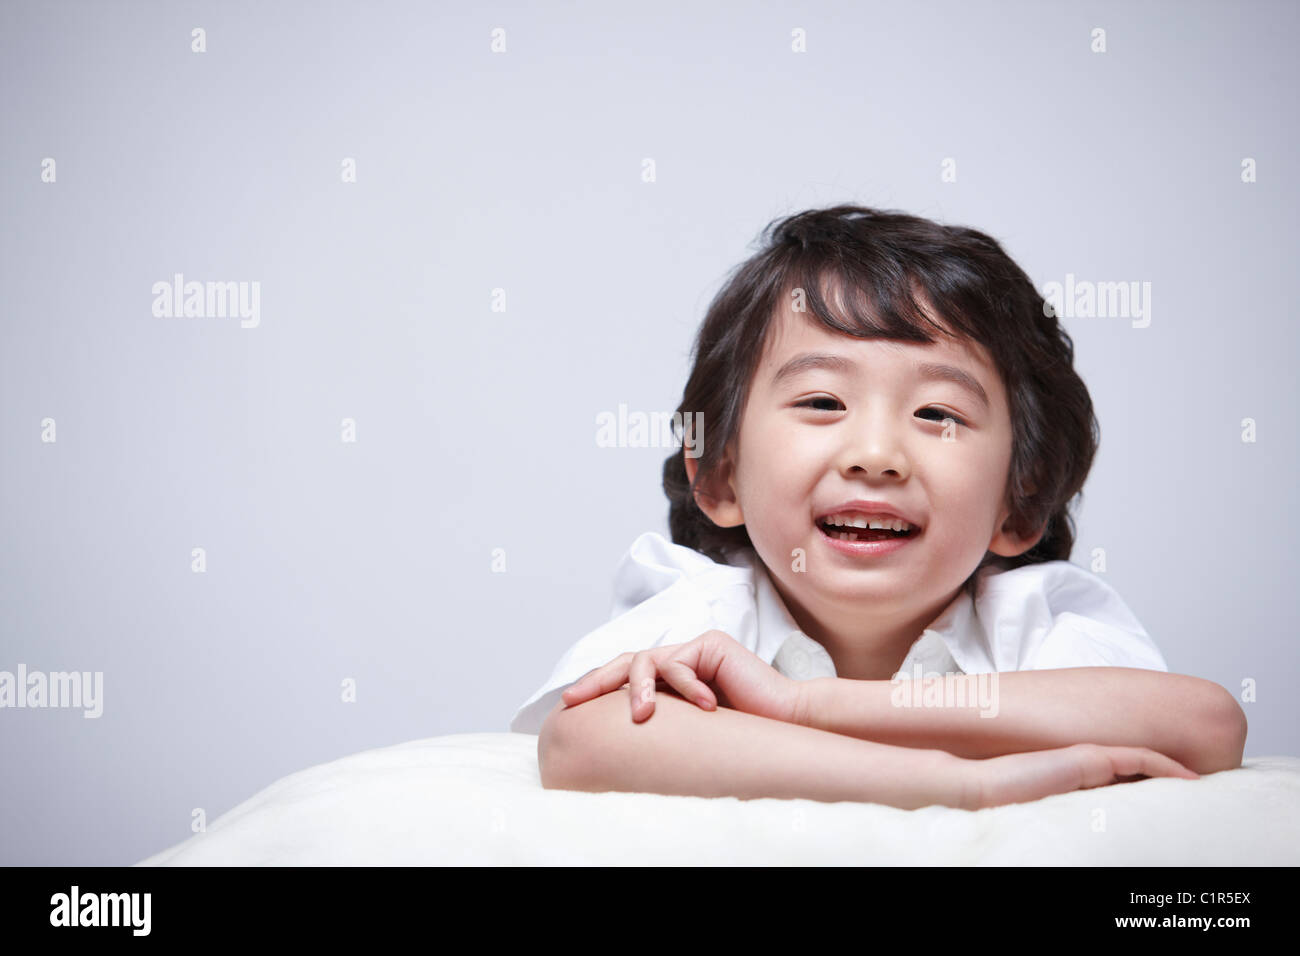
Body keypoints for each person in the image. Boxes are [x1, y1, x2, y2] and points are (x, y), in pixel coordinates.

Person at [517, 205, 1246, 810]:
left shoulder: (1033, 616)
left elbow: (1206, 724)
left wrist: (807, 708)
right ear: (722, 479)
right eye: (822, 401)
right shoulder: (708, 612)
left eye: (938, 413)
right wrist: (958, 783)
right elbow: (580, 740)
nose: (877, 453)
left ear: (1017, 505)